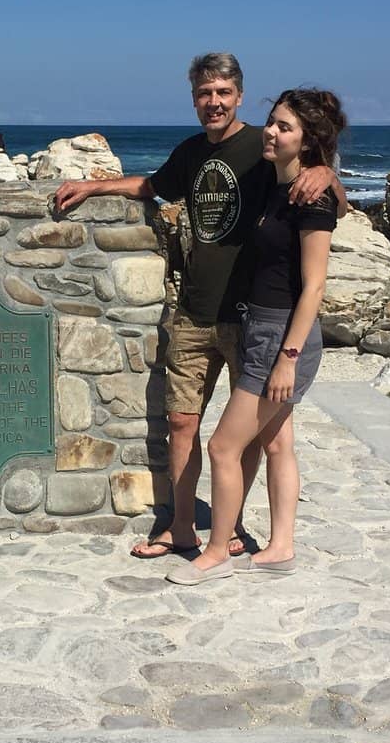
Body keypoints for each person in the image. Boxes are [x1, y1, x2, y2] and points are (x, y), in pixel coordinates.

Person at [54, 52, 345, 565]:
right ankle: (183, 528)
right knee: (184, 424)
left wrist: (326, 172)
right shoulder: (190, 152)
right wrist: (95, 185)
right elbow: (153, 187)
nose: (214, 102)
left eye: (223, 93)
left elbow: (316, 181)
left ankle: (232, 530)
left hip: (250, 316)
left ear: (238, 94)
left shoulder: (265, 143)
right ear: (194, 99)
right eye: (204, 93)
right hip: (193, 312)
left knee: (253, 438)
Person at [168, 89, 347, 584]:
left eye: (284, 127)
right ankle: (282, 546)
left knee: (224, 448)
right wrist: (325, 170)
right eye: (272, 122)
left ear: (308, 140)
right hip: (260, 327)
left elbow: (314, 286)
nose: (270, 131)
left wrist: (288, 356)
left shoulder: (313, 198)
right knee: (276, 442)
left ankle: (217, 553)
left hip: (280, 337)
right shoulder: (278, 181)